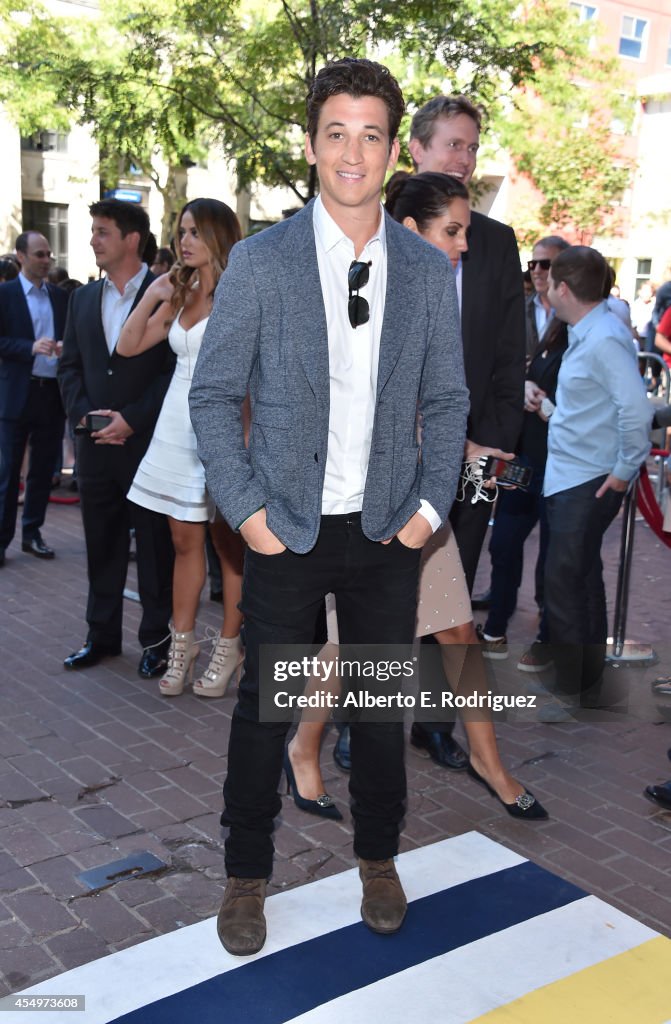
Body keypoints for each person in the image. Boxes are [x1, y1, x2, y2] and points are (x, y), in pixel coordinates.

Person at [190, 58, 469, 954]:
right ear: (311, 145)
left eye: (371, 134)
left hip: (389, 530)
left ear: (393, 150)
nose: (353, 151)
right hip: (285, 532)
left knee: (382, 713)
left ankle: (378, 858)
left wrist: (429, 512)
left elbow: (447, 402)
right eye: (336, 132)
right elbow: (211, 393)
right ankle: (245, 876)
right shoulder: (264, 263)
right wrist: (247, 511)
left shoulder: (426, 271)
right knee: (265, 711)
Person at [286, 172, 547, 824]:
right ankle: (304, 746)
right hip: (365, 501)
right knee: (355, 643)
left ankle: (487, 761)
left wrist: (465, 452)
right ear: (410, 231)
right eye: (450, 231)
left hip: (415, 497)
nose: (463, 245)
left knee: (448, 631)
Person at [406, 94, 526, 769]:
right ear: (416, 150)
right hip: (395, 454)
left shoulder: (496, 240)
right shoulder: (383, 235)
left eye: (472, 147)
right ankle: (351, 721)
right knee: (382, 593)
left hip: (477, 455)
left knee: (453, 597)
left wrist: (498, 442)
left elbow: (511, 354)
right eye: (452, 144)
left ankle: (432, 723)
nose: (463, 158)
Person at [117, 198, 246, 698]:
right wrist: (153, 292)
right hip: (175, 425)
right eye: (180, 232)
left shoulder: (238, 294)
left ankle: (229, 646)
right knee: (182, 542)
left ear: (216, 236)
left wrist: (248, 442)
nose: (183, 241)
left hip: (222, 427)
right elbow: (129, 345)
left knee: (228, 547)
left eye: (193, 232)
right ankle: (183, 644)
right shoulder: (180, 289)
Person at [58, 199, 175, 677]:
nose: (92, 239)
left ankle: (157, 641)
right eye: (93, 231)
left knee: (153, 547)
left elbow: (172, 371)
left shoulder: (166, 292)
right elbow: (69, 368)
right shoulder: (82, 299)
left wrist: (131, 418)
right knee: (101, 544)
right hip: (94, 448)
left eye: (102, 231)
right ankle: (100, 636)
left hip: (146, 445)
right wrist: (88, 418)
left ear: (132, 239)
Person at [543, 246, 652, 701]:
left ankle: (575, 685)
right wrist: (548, 409)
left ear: (563, 289)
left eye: (550, 282)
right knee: (580, 576)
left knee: (565, 581)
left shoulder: (604, 335)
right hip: (576, 473)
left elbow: (635, 410)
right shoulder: (593, 331)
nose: (545, 290)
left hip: (587, 478)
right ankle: (586, 680)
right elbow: (594, 407)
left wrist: (625, 470)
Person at [478, 235, 569, 666]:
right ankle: (496, 625)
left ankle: (547, 633)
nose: (537, 271)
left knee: (553, 553)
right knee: (504, 542)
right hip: (523, 450)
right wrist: (522, 386)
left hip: (563, 458)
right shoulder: (525, 311)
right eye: (533, 264)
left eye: (546, 265)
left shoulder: (583, 325)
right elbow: (505, 363)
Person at [0, 231, 68, 567]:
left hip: (50, 393)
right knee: (8, 470)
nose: (46, 260)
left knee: (42, 470)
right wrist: (28, 347)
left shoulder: (59, 297)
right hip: (15, 393)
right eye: (39, 254)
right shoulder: (5, 294)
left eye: (48, 254)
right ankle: (1, 540)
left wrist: (62, 347)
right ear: (21, 257)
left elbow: (69, 335)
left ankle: (33, 534)